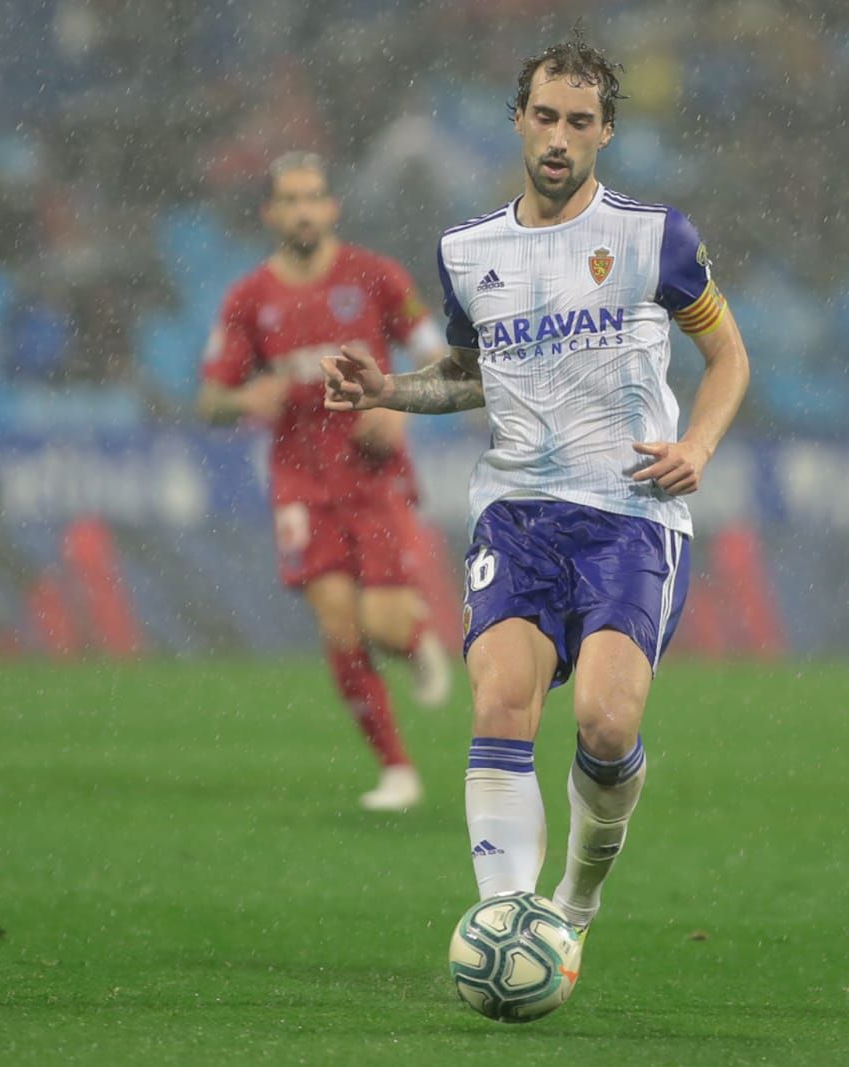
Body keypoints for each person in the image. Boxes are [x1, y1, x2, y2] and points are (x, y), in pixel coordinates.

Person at [321, 34, 751, 967]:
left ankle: (575, 900)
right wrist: (387, 389)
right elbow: (474, 373)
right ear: (520, 120)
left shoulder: (655, 238)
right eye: (545, 116)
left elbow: (729, 355)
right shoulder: (469, 252)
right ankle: (506, 925)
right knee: (503, 699)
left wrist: (699, 445)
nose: (559, 136)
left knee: (605, 717)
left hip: (631, 513)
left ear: (605, 134)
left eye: (580, 122)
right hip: (516, 511)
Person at [200, 151, 453, 812]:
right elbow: (209, 399)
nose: (304, 209)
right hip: (301, 484)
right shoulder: (249, 299)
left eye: (314, 196)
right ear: (271, 213)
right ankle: (397, 768)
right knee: (339, 625)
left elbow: (438, 359)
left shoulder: (377, 278)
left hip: (374, 478)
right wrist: (245, 398)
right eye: (291, 199)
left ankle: (415, 639)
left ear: (332, 206)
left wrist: (397, 408)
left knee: (383, 620)